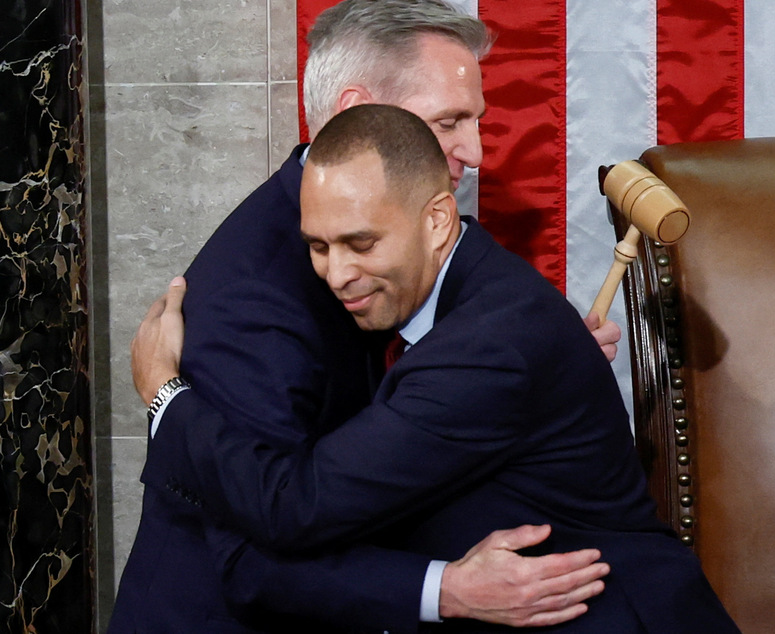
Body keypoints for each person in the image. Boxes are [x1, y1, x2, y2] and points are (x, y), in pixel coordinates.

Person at [110, 2, 619, 632]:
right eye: (449, 121)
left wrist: (545, 369)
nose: (476, 151)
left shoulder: (418, 257)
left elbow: (427, 397)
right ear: (357, 116)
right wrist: (165, 396)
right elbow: (259, 542)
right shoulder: (257, 302)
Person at [133, 104, 740, 633]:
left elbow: (295, 504)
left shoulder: (491, 347)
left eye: (361, 243)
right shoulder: (465, 301)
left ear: (437, 220)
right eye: (319, 247)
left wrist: (165, 394)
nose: (336, 273)